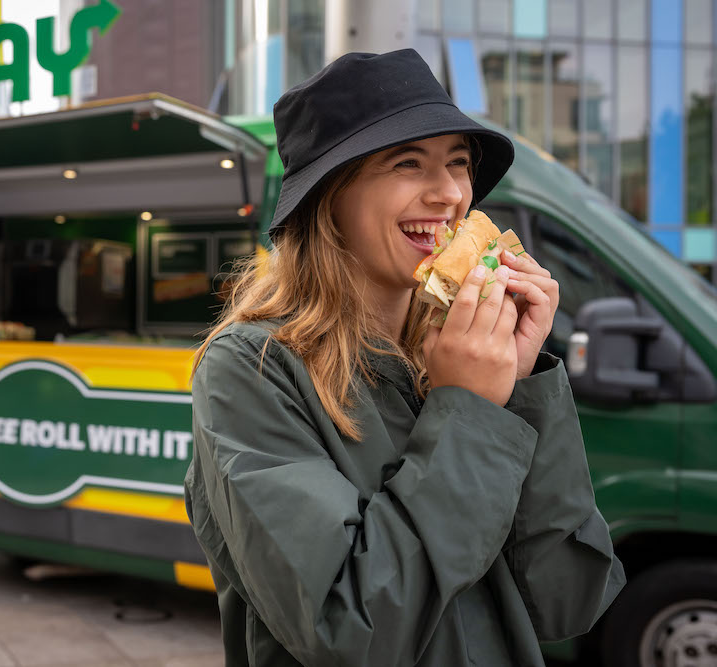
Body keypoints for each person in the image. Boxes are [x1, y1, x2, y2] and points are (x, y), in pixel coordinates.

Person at [184, 49, 625, 667]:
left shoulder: (468, 356)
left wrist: (523, 386)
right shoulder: (252, 368)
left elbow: (569, 603)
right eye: (407, 163)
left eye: (459, 162)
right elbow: (350, 631)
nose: (450, 193)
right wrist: (468, 409)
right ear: (329, 195)